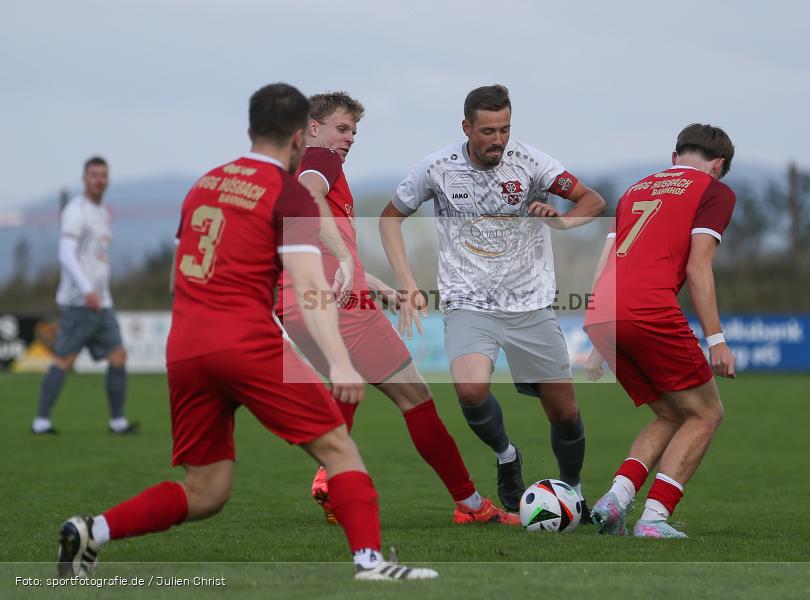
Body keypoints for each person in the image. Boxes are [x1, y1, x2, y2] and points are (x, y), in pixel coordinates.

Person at [56, 83, 437, 581]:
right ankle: (371, 563)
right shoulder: (288, 191)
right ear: (301, 137)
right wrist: (339, 361)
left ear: (250, 129)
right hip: (244, 342)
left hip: (186, 346)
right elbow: (305, 283)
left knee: (207, 490)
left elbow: (179, 277)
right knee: (339, 448)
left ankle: (93, 531)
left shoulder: (205, 184)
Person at [276, 91, 518, 527]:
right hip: (337, 304)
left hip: (294, 305)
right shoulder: (320, 160)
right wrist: (349, 263)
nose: (348, 139)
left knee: (347, 383)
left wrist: (381, 288)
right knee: (416, 398)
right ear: (313, 128)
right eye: (341, 128)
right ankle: (471, 507)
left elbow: (312, 248)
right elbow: (311, 202)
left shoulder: (285, 172)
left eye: (354, 131)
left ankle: (332, 477)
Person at [379, 84, 606, 513]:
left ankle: (572, 490)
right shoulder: (436, 168)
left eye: (504, 129)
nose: (497, 139)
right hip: (468, 301)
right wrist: (407, 282)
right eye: (487, 131)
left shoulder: (532, 163)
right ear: (467, 127)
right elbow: (390, 219)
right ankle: (506, 455)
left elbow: (592, 201)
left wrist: (562, 222)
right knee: (469, 389)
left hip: (530, 302)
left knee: (564, 412)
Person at [583, 123, 737, 539]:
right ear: (719, 165)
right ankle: (653, 518)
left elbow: (608, 259)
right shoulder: (714, 190)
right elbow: (698, 266)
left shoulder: (634, 189)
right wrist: (717, 340)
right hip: (649, 309)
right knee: (707, 413)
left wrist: (598, 337)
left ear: (675, 158)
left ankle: (615, 498)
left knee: (671, 412)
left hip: (604, 313)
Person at [32, 156, 137, 435]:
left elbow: (97, 258)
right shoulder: (75, 210)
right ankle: (41, 422)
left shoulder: (102, 212)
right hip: (79, 303)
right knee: (64, 360)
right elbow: (65, 254)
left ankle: (118, 422)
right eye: (93, 175)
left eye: (103, 175)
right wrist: (86, 289)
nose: (99, 180)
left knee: (118, 355)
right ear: (84, 179)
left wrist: (102, 294)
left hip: (102, 302)